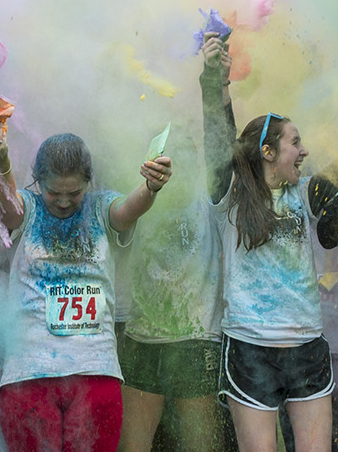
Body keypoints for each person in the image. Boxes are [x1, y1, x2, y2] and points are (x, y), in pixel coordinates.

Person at [197, 32, 338, 452]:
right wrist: (216, 84)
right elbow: (219, 139)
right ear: (267, 151)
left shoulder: (302, 193)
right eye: (295, 143)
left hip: (307, 348)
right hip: (251, 350)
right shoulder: (230, 196)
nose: (304, 152)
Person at [0, 116, 173, 450]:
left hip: (95, 370)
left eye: (74, 193)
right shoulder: (28, 208)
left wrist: (150, 187)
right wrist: (0, 160)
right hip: (30, 373)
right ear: (38, 183)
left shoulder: (100, 207)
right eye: (54, 192)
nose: (65, 201)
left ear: (88, 183)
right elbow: (7, 207)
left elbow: (129, 209)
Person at [111, 128, 228, 451]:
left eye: (189, 151)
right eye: (170, 151)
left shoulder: (212, 202)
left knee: (200, 443)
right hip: (141, 339)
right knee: (133, 445)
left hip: (198, 339)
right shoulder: (137, 202)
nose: (179, 161)